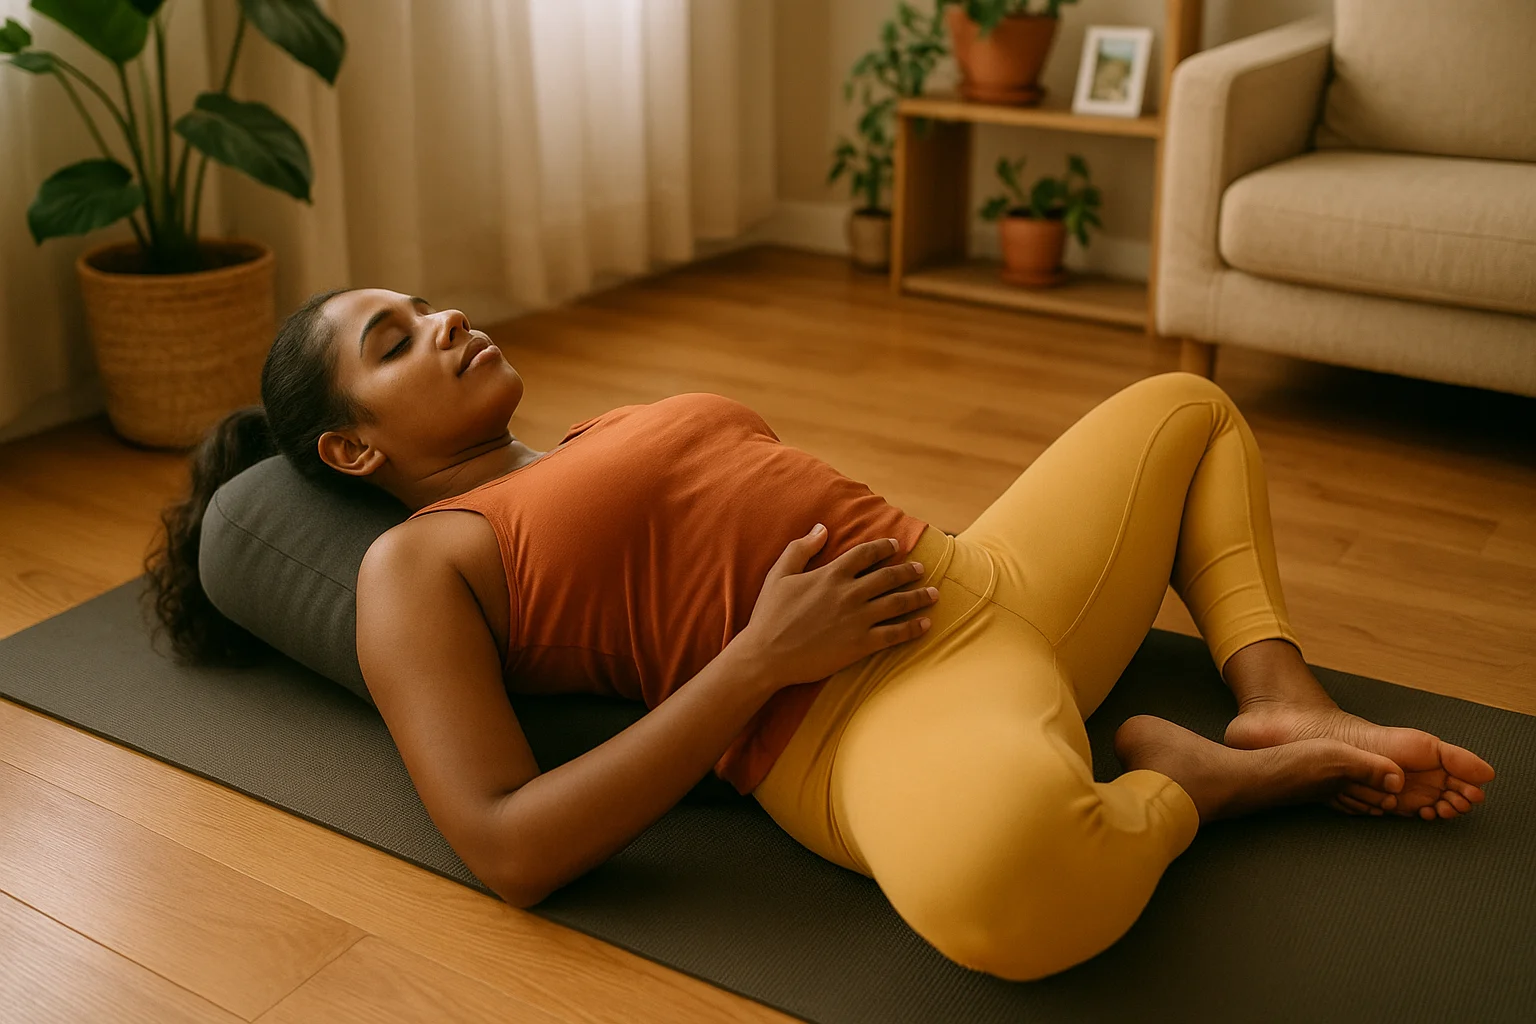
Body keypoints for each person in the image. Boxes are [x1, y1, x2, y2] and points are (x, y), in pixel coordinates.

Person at [147, 288, 1496, 982]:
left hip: (985, 577)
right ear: (350, 442)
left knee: (1184, 407)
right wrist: (758, 660)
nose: (441, 317)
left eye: (424, 301)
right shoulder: (415, 563)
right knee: (1013, 900)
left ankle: (1280, 699)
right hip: (856, 711)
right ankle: (1188, 781)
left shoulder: (588, 436)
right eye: (394, 338)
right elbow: (510, 844)